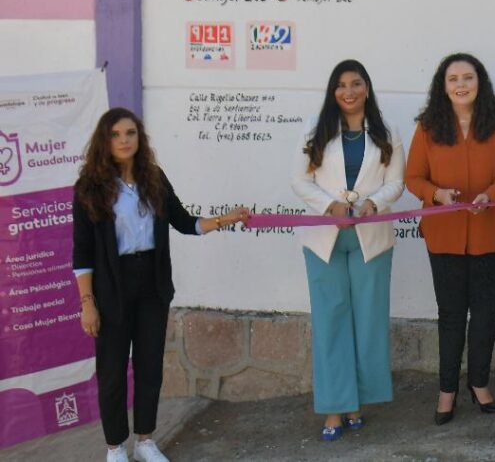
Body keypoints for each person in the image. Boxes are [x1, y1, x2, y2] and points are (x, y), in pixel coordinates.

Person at [72, 108, 249, 462]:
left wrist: (224, 219)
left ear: (140, 139)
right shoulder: (90, 188)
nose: (124, 141)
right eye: (116, 135)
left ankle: (145, 441)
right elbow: (83, 253)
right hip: (111, 287)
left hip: (151, 282)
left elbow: (185, 223)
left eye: (130, 133)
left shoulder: (155, 178)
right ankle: (115, 447)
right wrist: (87, 302)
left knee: (150, 365)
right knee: (112, 372)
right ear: (104, 142)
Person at [291, 60, 406, 441]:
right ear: (333, 91)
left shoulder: (387, 132)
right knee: (330, 323)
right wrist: (330, 206)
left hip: (371, 240)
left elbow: (396, 183)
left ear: (367, 89)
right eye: (341, 85)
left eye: (356, 83)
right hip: (324, 241)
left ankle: (357, 401)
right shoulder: (316, 129)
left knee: (368, 323)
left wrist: (373, 202)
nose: (349, 91)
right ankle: (333, 409)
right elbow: (300, 180)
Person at [405, 53, 495, 425]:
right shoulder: (427, 127)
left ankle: (480, 383)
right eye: (453, 78)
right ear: (443, 85)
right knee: (452, 315)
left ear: (479, 82)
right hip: (445, 236)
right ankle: (447, 389)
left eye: (468, 77)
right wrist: (436, 194)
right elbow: (413, 178)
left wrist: (491, 194)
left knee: (486, 313)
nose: (460, 84)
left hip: (490, 232)